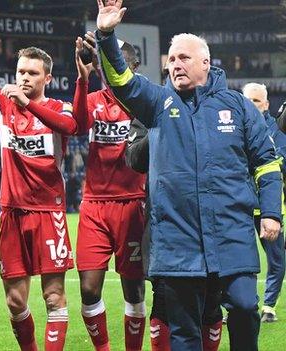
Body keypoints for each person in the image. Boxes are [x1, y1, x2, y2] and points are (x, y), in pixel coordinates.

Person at [95, 1, 283, 350]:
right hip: (178, 242)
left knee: (244, 308)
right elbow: (120, 79)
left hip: (231, 236)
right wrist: (106, 35)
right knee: (184, 333)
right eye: (171, 59)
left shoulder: (237, 106)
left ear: (205, 64)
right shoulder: (157, 102)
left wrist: (270, 211)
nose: (174, 64)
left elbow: (267, 162)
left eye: (183, 57)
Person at [0, 19, 75, 351]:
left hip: (48, 213)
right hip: (12, 212)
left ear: (47, 78)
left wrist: (28, 104)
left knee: (53, 296)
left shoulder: (57, 108)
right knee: (14, 301)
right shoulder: (2, 106)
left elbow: (70, 125)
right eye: (21, 71)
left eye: (33, 73)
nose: (24, 77)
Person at [73, 32, 147, 351]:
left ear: (134, 67)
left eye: (122, 65)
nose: (114, 71)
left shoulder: (143, 102)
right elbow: (76, 124)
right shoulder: (93, 101)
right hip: (94, 207)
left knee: (135, 291)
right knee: (89, 290)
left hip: (132, 206)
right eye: (109, 65)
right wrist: (83, 78)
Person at [126, 117, 223, 351]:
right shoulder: (149, 113)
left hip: (211, 222)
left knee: (211, 302)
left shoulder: (216, 110)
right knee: (164, 301)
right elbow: (135, 159)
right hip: (166, 225)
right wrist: (160, 122)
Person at [242, 82, 286, 323]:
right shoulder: (233, 127)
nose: (252, 105)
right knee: (238, 258)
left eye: (256, 101)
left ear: (266, 104)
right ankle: (238, 305)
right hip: (240, 205)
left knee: (276, 259)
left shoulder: (276, 131)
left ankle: (268, 305)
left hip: (270, 207)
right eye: (248, 100)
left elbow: (281, 160)